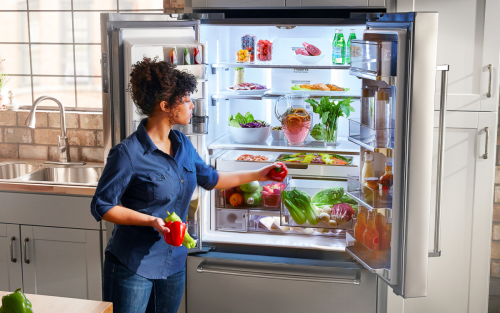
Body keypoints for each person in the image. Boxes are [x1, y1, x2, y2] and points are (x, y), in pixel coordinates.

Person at [90, 57, 279, 313]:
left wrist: (260, 173)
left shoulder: (182, 144)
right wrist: (150, 221)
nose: (192, 105)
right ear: (166, 106)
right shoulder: (128, 154)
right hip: (132, 265)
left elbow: (212, 179)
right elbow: (102, 206)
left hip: (173, 262)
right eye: (187, 99)